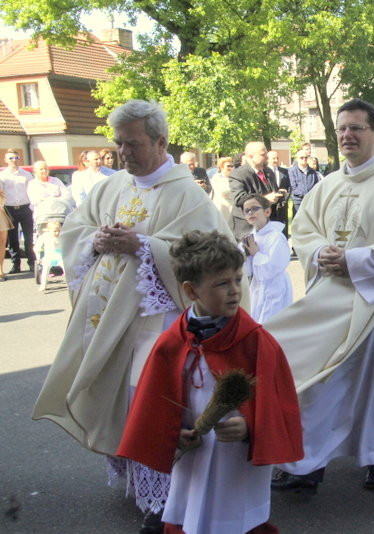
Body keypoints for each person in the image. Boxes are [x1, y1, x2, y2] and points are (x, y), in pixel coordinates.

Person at [31, 99, 236, 532]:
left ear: (161, 142)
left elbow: (207, 255)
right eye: (119, 144)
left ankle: (164, 500)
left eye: (134, 144)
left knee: (152, 401)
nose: (124, 153)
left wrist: (144, 245)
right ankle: (136, 480)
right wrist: (97, 237)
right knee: (120, 396)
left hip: (157, 323)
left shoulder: (187, 193)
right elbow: (75, 229)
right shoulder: (113, 186)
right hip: (108, 318)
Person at [267, 98, 374, 494]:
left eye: (356, 128)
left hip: (371, 301)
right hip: (327, 301)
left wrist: (354, 260)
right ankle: (307, 463)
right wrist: (320, 253)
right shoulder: (329, 184)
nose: (347, 136)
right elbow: (303, 230)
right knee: (317, 384)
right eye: (341, 129)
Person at [117, 230, 303, 534]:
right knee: (190, 517)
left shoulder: (256, 342)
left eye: (238, 280)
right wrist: (175, 433)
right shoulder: (172, 342)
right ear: (191, 291)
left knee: (235, 522)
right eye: (221, 284)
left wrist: (249, 427)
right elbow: (156, 404)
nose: (234, 291)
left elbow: (279, 406)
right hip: (194, 455)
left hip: (235, 462)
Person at [241, 195, 292, 323]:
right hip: (258, 286)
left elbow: (273, 267)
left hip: (275, 286)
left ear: (267, 211)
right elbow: (246, 270)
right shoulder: (251, 237)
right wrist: (246, 255)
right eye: (246, 211)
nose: (250, 213)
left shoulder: (276, 237)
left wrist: (256, 254)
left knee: (272, 324)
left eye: (254, 209)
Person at [228, 142, 282, 241]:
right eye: (263, 154)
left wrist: (280, 195)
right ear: (250, 156)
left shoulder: (269, 172)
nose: (267, 157)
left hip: (266, 225)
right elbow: (239, 198)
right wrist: (264, 199)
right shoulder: (238, 174)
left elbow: (272, 192)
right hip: (246, 227)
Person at [0, 150, 35, 273]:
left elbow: (32, 191)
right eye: (11, 158)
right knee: (13, 239)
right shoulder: (2, 175)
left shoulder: (26, 174)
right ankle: (16, 265)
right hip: (10, 209)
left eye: (16, 157)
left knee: (28, 237)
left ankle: (32, 263)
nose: (14, 160)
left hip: (25, 208)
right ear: (6, 160)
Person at [287, 149, 321, 218]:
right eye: (301, 157)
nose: (304, 159)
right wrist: (305, 195)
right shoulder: (292, 171)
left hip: (311, 202)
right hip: (298, 202)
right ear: (297, 159)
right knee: (298, 224)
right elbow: (293, 187)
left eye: (306, 157)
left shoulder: (313, 172)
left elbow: (316, 186)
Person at [266, 151, 290, 238]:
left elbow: (289, 186)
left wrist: (285, 196)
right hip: (270, 205)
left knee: (283, 225)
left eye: (277, 158)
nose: (276, 160)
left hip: (282, 205)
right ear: (268, 159)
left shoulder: (284, 171)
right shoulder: (265, 172)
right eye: (273, 158)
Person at [210, 157, 235, 227]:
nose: (231, 168)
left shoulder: (235, 178)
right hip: (222, 210)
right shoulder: (216, 177)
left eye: (232, 166)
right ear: (221, 167)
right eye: (228, 166)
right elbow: (222, 192)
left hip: (233, 210)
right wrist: (233, 190)